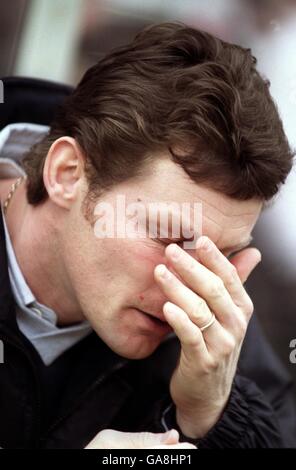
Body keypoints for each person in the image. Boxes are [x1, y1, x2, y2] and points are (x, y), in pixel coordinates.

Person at [0, 22, 295, 449]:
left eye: (225, 256)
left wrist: (212, 414)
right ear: (66, 175)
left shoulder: (212, 321)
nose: (187, 292)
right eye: (167, 239)